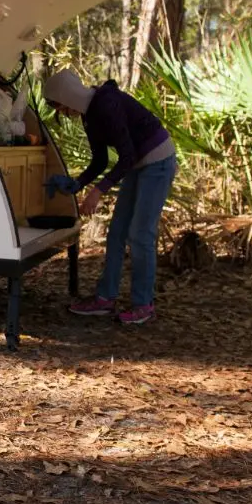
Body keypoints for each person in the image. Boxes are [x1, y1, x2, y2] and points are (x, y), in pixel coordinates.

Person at [43, 70, 176, 325]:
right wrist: (78, 183)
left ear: (65, 97)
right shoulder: (88, 115)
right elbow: (101, 160)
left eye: (58, 106)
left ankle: (143, 304)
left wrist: (97, 191)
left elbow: (125, 156)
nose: (62, 113)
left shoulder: (105, 104)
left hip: (158, 161)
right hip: (139, 164)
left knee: (140, 234)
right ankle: (105, 299)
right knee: (117, 232)